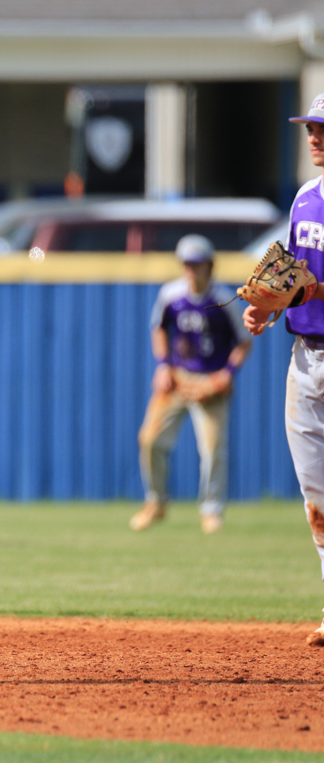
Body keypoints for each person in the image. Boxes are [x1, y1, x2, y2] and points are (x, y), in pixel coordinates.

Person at [245, 91, 324, 645]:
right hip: (305, 358)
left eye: (323, 129)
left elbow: (310, 286)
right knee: (316, 496)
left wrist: (311, 291)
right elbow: (293, 278)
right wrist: (268, 307)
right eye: (311, 129)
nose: (314, 137)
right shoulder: (304, 199)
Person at [129, 234, 252, 535]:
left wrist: (227, 374)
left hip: (209, 381)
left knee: (212, 449)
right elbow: (159, 328)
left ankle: (211, 510)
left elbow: (244, 341)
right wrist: (163, 365)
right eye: (187, 264)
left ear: (210, 266)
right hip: (178, 377)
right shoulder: (171, 294)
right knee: (150, 439)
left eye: (197, 264)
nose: (191, 270)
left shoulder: (224, 299)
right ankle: (155, 502)